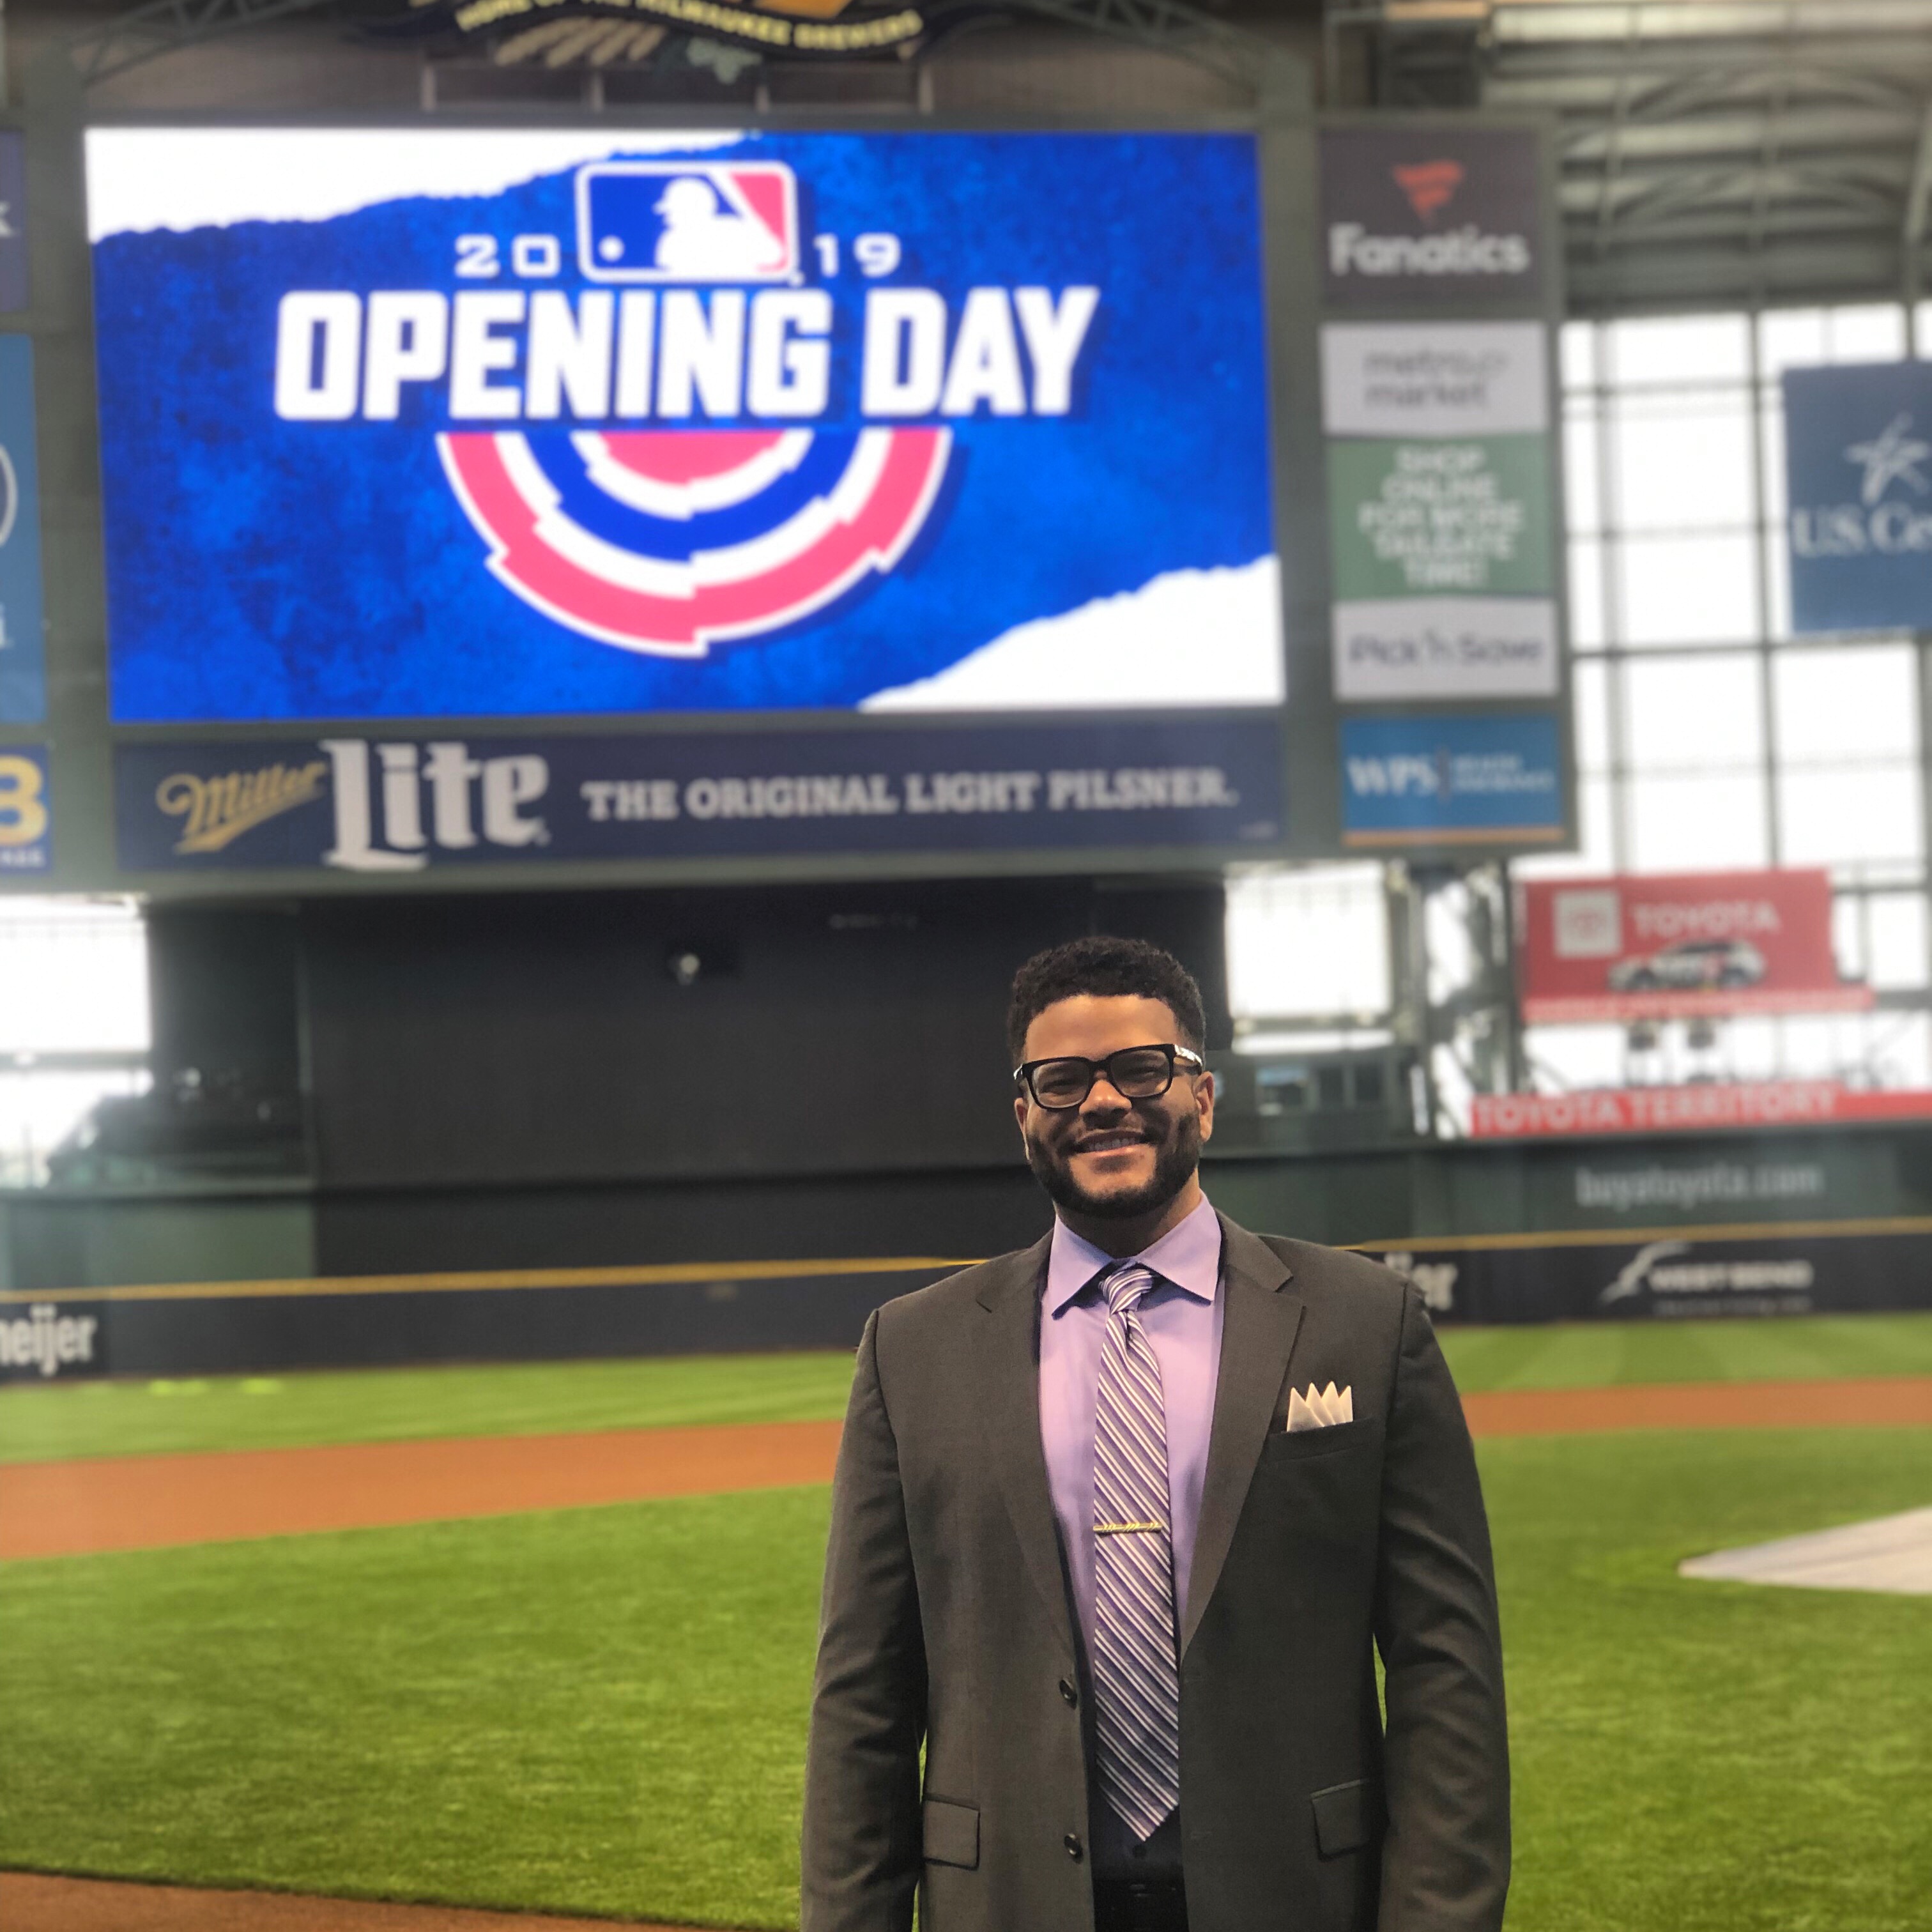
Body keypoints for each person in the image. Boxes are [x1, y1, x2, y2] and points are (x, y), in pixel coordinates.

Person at [801, 935, 1509, 1932]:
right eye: (1061, 1080)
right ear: (1024, 1116)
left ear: (1203, 1096)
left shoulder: (1366, 1320)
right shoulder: (911, 1350)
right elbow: (863, 1698)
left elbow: (1448, 1665)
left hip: (1298, 1899)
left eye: (1141, 1068)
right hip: (1008, 1903)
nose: (1101, 1101)